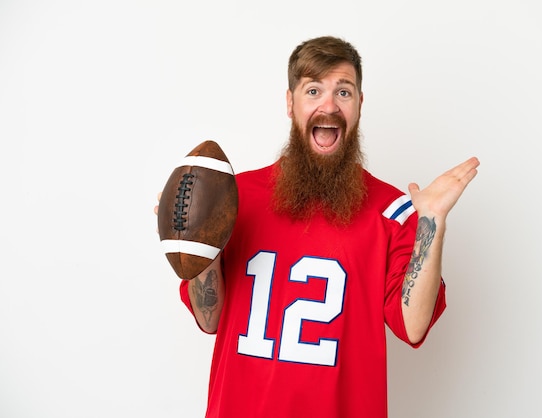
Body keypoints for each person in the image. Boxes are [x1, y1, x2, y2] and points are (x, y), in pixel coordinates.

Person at [156, 36, 479, 418]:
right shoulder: (234, 198)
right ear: (290, 103)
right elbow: (210, 320)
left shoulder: (392, 210)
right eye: (313, 90)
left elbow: (413, 327)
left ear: (360, 105)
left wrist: (432, 224)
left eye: (343, 91)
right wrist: (199, 244)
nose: (329, 105)